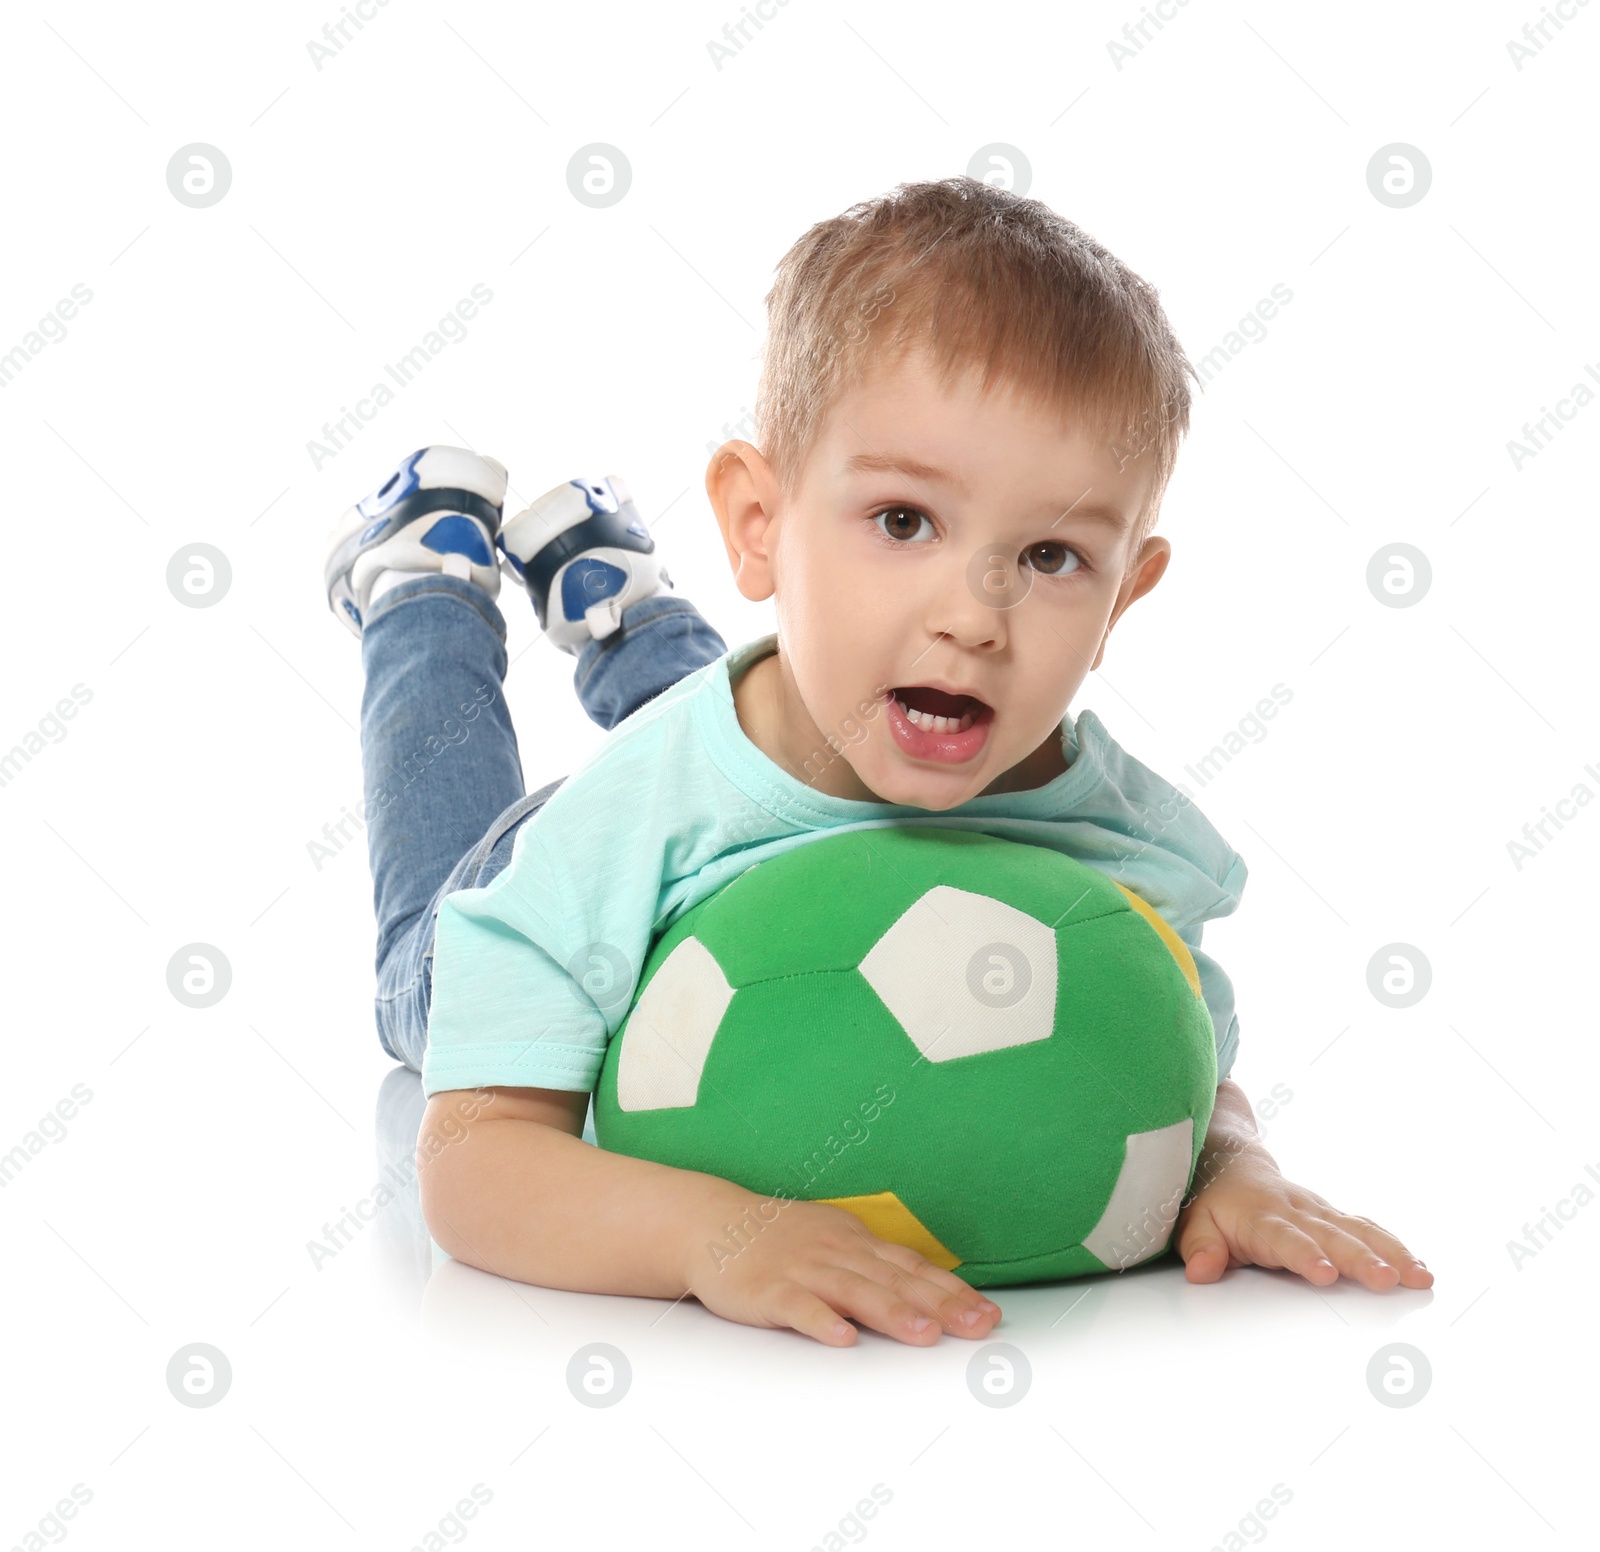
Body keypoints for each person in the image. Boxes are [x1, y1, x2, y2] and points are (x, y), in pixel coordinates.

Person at [323, 175, 1431, 1348]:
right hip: (553, 880)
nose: (976, 616)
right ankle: (420, 585)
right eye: (904, 522)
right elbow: (473, 1163)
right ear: (758, 524)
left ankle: (626, 608)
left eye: (1052, 555)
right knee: (429, 910)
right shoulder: (611, 842)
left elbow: (1180, 1070)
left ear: (1123, 600)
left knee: (833, 679)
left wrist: (1237, 1166)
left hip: (783, 735)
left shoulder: (1116, 836)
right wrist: (714, 1234)